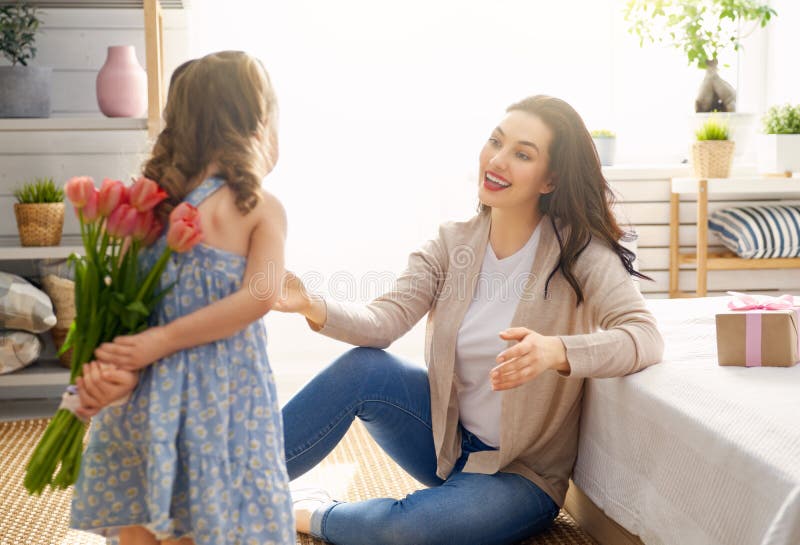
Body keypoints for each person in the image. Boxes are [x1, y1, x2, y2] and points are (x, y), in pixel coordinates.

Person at [80, 94, 664, 545]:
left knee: (400, 532)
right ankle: (226, 481)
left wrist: (555, 351)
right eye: (496, 141)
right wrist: (313, 306)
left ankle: (302, 511)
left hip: (517, 476)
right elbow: (385, 321)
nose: (497, 159)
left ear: (552, 179)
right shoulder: (453, 242)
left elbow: (642, 336)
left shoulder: (579, 252)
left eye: (522, 153)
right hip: (442, 439)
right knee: (364, 367)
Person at [70, 50, 294, 545]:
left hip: (147, 395)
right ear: (257, 123)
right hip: (225, 400)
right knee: (222, 511)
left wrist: (131, 358)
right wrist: (167, 339)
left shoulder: (145, 203)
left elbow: (119, 299)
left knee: (144, 512)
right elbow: (259, 297)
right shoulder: (256, 206)